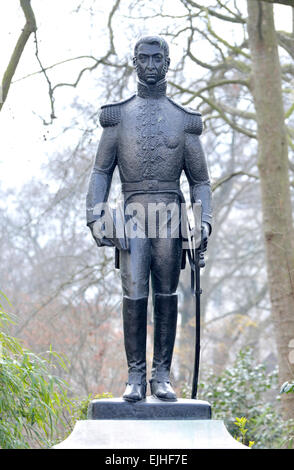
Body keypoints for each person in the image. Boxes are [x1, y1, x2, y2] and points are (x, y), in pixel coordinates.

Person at [86, 36, 212, 402]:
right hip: (132, 214)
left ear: (168, 63)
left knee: (167, 293)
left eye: (158, 58)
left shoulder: (183, 121)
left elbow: (200, 180)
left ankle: (162, 375)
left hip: (171, 216)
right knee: (134, 290)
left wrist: (202, 224)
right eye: (145, 58)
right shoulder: (118, 116)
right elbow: (100, 171)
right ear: (135, 63)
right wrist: (96, 214)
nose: (152, 65)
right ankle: (135, 376)